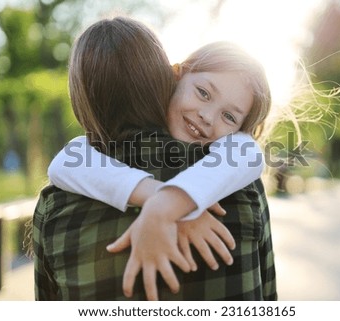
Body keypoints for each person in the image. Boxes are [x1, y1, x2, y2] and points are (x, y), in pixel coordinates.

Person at [33, 16, 276, 300]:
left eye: (229, 116)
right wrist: (167, 200)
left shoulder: (55, 203)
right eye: (203, 93)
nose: (207, 116)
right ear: (174, 75)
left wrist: (164, 204)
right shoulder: (243, 188)